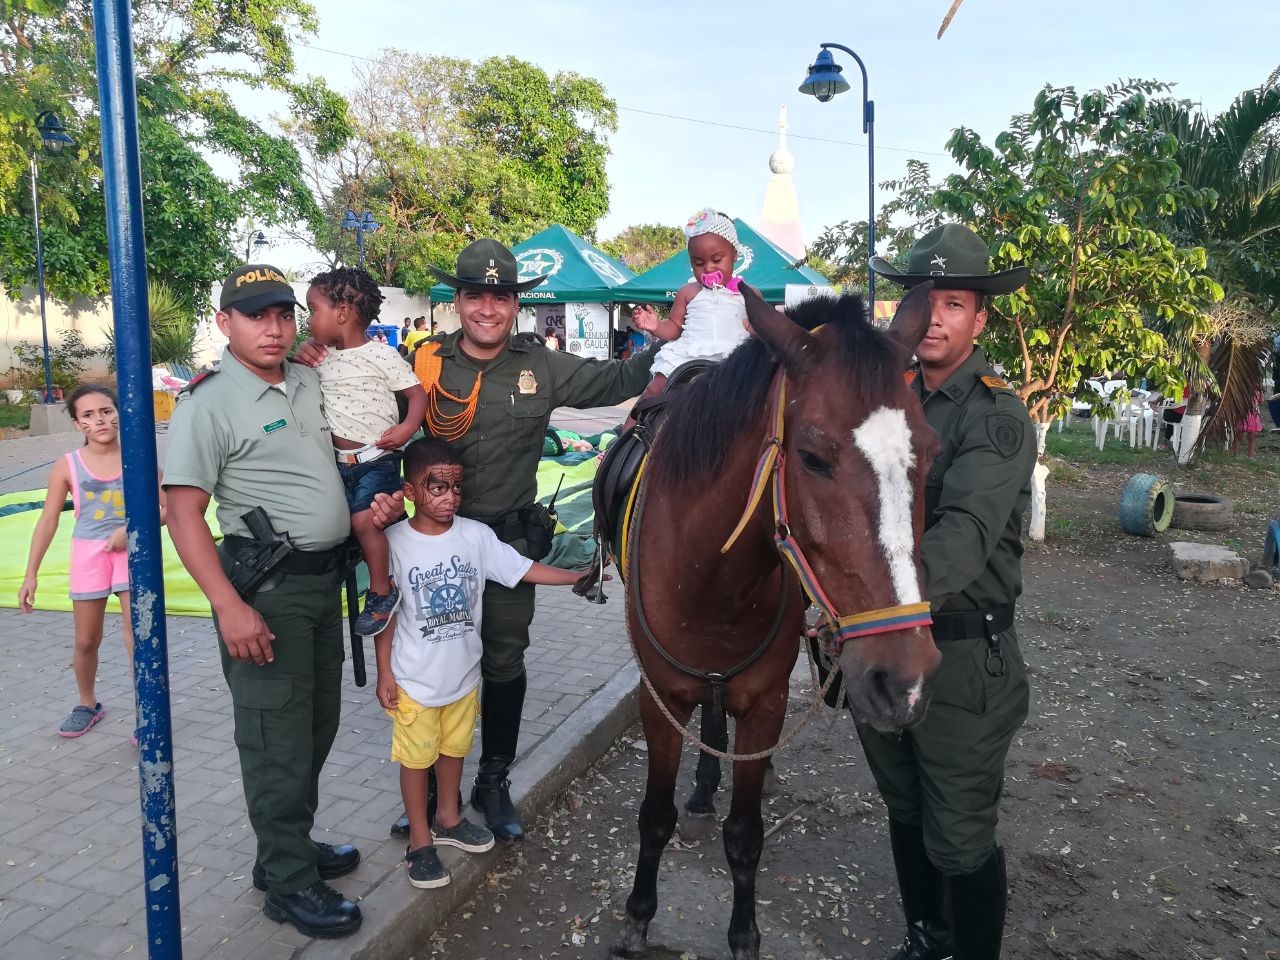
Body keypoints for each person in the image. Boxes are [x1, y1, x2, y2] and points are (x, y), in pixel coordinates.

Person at [306, 237, 658, 843]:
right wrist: (314, 355)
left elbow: (622, 378)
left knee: (502, 660)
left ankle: (492, 782)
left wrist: (674, 337)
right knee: (424, 662)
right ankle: (429, 797)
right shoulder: (425, 364)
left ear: (516, 305)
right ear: (459, 302)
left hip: (506, 542)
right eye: (475, 296)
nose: (487, 308)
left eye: (500, 297)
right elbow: (360, 408)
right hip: (429, 544)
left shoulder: (542, 365)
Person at [164, 263, 363, 939]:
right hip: (267, 595)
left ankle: (286, 848)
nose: (273, 329)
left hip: (321, 586)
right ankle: (288, 883)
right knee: (275, 739)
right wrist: (228, 606)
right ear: (226, 323)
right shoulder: (207, 404)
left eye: (283, 314)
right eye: (256, 316)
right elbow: (183, 513)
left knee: (315, 727)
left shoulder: (304, 378)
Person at [862, 223, 1036, 960]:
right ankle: (924, 940)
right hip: (881, 643)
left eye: (954, 303)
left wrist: (869, 605)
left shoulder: (996, 416)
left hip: (961, 659)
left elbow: (963, 536)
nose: (933, 318)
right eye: (922, 301)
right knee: (905, 805)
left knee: (960, 834)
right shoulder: (884, 404)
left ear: (980, 318)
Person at [376, 436, 593, 888]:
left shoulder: (475, 536)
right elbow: (385, 614)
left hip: (463, 677)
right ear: (410, 491)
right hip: (415, 681)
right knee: (416, 761)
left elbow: (522, 569)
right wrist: (384, 673)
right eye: (437, 487)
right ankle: (420, 841)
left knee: (454, 750)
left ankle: (449, 818)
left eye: (456, 488)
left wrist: (576, 577)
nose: (450, 497)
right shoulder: (393, 544)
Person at [19, 385, 164, 740]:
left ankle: (148, 711)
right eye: (88, 415)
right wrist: (31, 574)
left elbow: (167, 509)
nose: (99, 420)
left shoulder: (140, 457)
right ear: (77, 423)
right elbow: (48, 520)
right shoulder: (67, 465)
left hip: (133, 554)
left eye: (106, 411)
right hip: (88, 556)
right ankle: (87, 703)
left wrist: (134, 530)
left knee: (137, 636)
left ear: (119, 414)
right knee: (86, 640)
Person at [305, 266, 427, 636]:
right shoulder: (321, 358)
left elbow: (416, 395)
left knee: (364, 521)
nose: (308, 320)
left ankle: (381, 591)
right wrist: (300, 357)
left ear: (341, 313)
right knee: (338, 523)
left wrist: (407, 428)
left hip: (376, 459)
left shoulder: (382, 355)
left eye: (313, 310)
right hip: (338, 464)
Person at [619, 208, 754, 431]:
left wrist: (757, 329)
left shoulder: (748, 293)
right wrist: (655, 325)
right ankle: (626, 439)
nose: (708, 268)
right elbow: (674, 328)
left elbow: (762, 328)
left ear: (734, 255)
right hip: (689, 355)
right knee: (654, 389)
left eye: (717, 259)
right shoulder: (688, 292)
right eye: (699, 263)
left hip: (733, 358)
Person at [1232, 390, 1263, 457]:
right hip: (1243, 414)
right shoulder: (1243, 389)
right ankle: (1235, 455)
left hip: (1254, 416)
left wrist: (1261, 392)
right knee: (1239, 435)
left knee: (1252, 437)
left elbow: (1261, 401)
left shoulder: (1258, 390)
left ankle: (1250, 456)